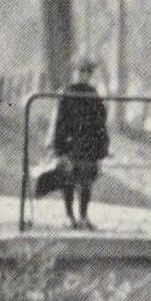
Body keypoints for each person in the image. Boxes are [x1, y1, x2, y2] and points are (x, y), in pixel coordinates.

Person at [50, 58, 110, 230]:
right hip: (71, 143)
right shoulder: (68, 93)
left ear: (89, 75)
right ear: (75, 73)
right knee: (68, 179)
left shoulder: (93, 94)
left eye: (86, 73)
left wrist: (102, 147)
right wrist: (59, 148)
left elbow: (100, 122)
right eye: (79, 72)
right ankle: (70, 216)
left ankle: (83, 215)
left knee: (86, 181)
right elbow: (60, 122)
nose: (82, 76)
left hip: (89, 144)